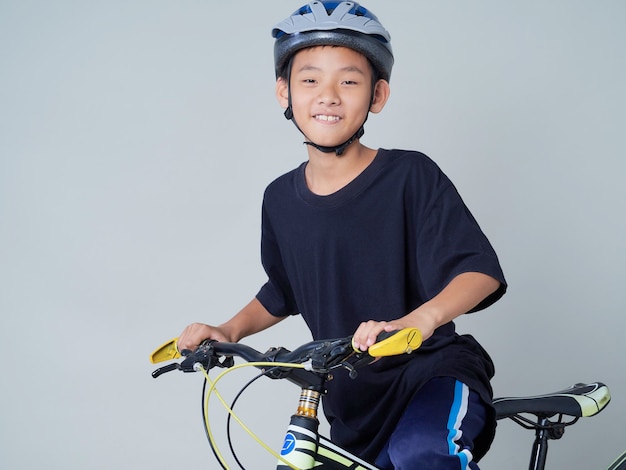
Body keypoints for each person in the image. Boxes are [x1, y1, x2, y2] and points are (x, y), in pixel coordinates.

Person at [177, 2, 506, 469]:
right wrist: (228, 331)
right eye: (310, 80)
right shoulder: (279, 199)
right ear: (283, 92)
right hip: (349, 399)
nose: (328, 95)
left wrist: (420, 320)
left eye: (349, 81)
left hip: (430, 376)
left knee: (423, 454)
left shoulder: (409, 175)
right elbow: (284, 290)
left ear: (378, 95)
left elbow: (478, 271)